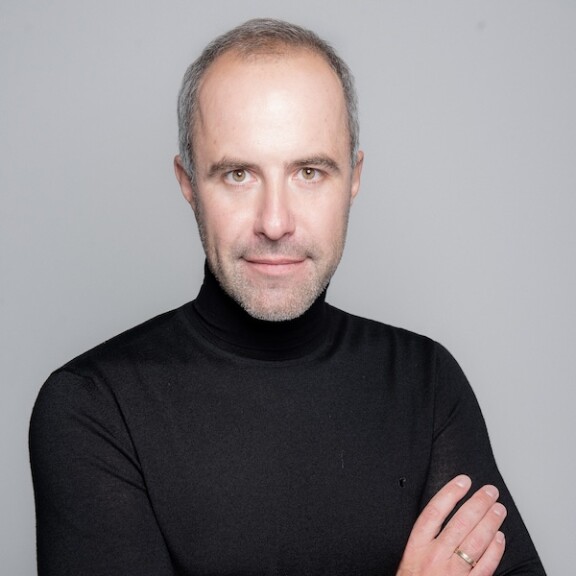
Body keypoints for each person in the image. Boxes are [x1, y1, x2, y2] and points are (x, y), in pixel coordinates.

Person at [29, 18, 545, 576]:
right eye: (238, 174)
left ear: (353, 178)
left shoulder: (427, 382)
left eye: (309, 172)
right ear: (188, 184)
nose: (275, 222)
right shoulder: (92, 407)